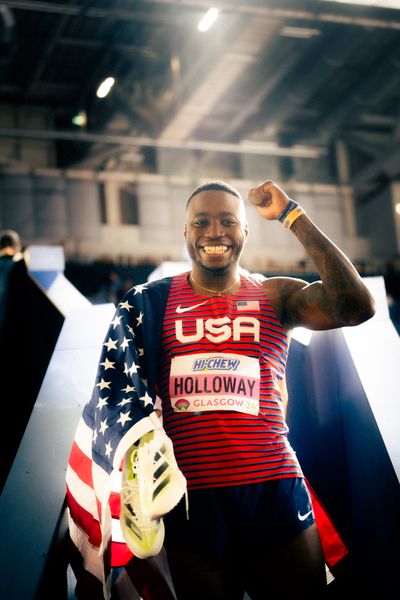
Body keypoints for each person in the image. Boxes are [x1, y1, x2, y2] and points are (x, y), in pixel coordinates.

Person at [66, 180, 375, 600]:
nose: (215, 232)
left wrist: (292, 216)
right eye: (202, 222)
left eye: (228, 221)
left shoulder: (275, 295)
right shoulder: (152, 302)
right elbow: (117, 389)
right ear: (186, 232)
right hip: (192, 500)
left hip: (273, 486)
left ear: (245, 232)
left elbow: (356, 306)